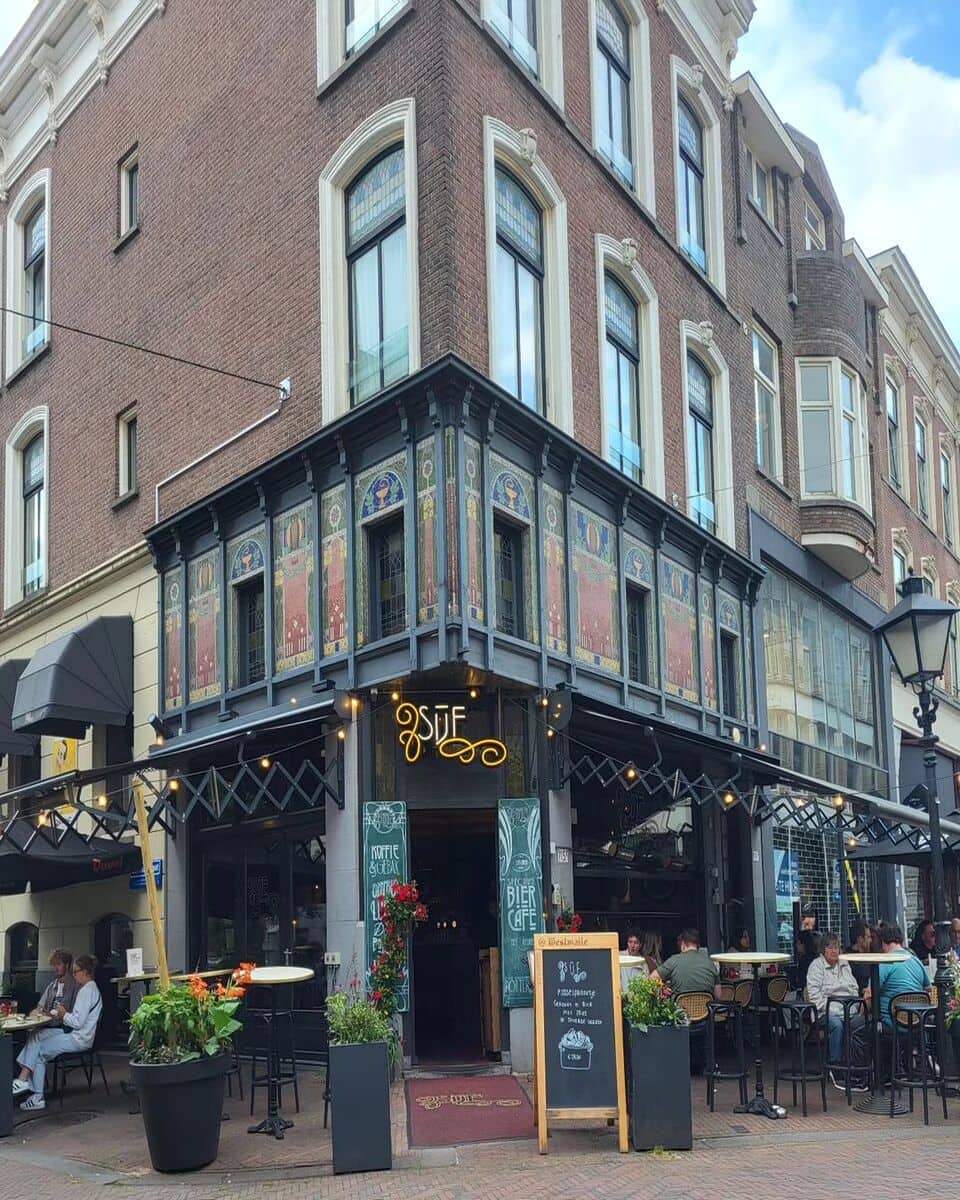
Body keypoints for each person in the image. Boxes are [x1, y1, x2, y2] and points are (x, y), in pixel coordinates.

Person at [12, 954, 102, 1111]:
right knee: (36, 1035)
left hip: (78, 1038)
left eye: (75, 972)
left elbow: (77, 1022)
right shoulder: (91, 989)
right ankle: (22, 1079)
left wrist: (63, 1014)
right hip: (76, 1034)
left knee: (39, 1052)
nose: (74, 975)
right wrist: (64, 1015)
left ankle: (37, 1096)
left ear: (85, 971)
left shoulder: (86, 991)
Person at [853, 922, 929, 1069]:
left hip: (891, 1024)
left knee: (855, 1027)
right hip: (915, 1024)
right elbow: (929, 989)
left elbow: (869, 996)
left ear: (883, 942)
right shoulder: (916, 961)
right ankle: (895, 1069)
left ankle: (861, 1075)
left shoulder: (885, 962)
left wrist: (861, 1013)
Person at [804, 932, 863, 1087]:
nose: (834, 951)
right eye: (830, 948)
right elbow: (814, 997)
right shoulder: (816, 966)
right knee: (836, 1025)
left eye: (837, 947)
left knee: (860, 1023)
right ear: (823, 950)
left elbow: (854, 988)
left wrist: (852, 1007)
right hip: (825, 1012)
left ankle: (856, 1065)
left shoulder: (845, 964)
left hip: (848, 1009)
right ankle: (835, 1065)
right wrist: (835, 1009)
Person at [651, 929, 720, 997]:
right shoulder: (710, 963)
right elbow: (718, 995)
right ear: (698, 945)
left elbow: (652, 978)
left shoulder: (674, 960)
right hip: (705, 1004)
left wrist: (662, 989)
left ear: (683, 944)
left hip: (679, 1004)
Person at [33, 949, 78, 1017]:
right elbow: (40, 1007)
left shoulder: (75, 986)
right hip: (48, 1021)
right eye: (54, 965)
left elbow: (75, 1014)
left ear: (67, 965)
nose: (55, 968)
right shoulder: (52, 986)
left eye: (58, 964)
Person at [846, 920, 873, 992]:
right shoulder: (847, 959)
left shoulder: (871, 956)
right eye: (868, 937)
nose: (871, 940)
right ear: (860, 939)